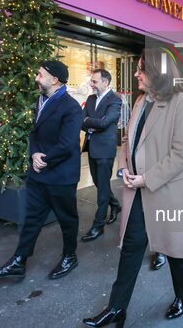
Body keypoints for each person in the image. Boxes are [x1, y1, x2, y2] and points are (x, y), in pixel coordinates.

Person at [83, 49, 183, 327]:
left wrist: (146, 178)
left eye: (141, 69)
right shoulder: (140, 101)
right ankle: (117, 308)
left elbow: (181, 155)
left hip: (169, 189)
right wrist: (125, 167)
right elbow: (128, 139)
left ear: (158, 73)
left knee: (175, 250)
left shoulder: (182, 103)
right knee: (131, 246)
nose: (137, 74)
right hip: (137, 187)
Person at [0, 60, 82, 281]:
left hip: (60, 175)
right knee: (32, 219)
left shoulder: (71, 107)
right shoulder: (41, 101)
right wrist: (34, 154)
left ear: (54, 79)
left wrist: (43, 159)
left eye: (40, 75)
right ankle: (19, 260)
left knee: (67, 220)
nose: (36, 78)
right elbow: (34, 134)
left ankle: (70, 256)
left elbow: (68, 144)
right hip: (40, 173)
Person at [81, 69, 123, 242]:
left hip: (105, 149)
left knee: (102, 187)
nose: (92, 84)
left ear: (106, 82)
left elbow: (106, 122)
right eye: (92, 81)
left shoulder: (115, 100)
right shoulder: (91, 99)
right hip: (92, 147)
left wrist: (88, 122)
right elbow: (80, 120)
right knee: (100, 183)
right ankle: (115, 205)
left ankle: (98, 225)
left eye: (95, 81)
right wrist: (91, 123)